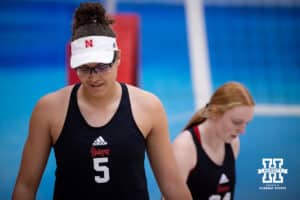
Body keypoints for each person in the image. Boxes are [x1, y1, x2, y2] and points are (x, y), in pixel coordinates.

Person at [12, 2, 192, 200]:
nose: (93, 77)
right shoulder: (49, 109)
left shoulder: (149, 107)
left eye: (101, 67)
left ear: (118, 58)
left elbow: (172, 185)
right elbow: (26, 186)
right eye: (84, 68)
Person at [172, 81, 255, 200]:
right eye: (237, 122)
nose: (242, 131)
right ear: (215, 113)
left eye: (246, 123)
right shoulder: (184, 148)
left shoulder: (232, 144)